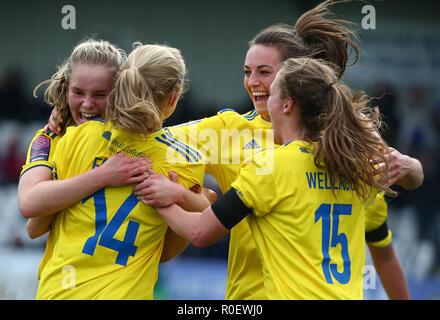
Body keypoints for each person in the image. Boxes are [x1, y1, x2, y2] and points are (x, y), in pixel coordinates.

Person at [135, 0, 422, 300]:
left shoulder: (333, 145)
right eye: (247, 72)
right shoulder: (232, 131)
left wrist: (410, 166)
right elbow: (153, 140)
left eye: (264, 72)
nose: (252, 83)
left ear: (294, 81)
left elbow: (383, 242)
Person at [150, 57, 397, 299]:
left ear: (286, 104)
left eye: (272, 95)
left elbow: (200, 232)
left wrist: (162, 196)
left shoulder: (269, 165)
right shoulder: (352, 166)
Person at [34, 43, 208, 300]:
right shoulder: (184, 158)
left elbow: (35, 224)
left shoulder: (78, 136)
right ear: (174, 97)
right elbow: (168, 250)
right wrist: (194, 199)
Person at [18, 39, 152, 281]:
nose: (87, 104)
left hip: (122, 288)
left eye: (100, 95)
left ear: (119, 91)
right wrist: (102, 176)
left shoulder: (139, 143)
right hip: (61, 287)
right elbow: (30, 209)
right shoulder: (51, 137)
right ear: (66, 87)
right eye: (78, 93)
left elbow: (35, 225)